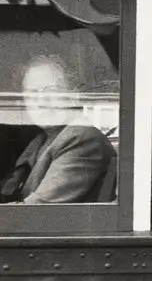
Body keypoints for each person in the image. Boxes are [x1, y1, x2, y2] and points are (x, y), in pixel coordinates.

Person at [0, 54, 116, 203]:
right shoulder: (41, 140)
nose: (41, 101)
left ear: (74, 95)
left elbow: (36, 209)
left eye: (52, 91)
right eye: (32, 93)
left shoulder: (81, 137)